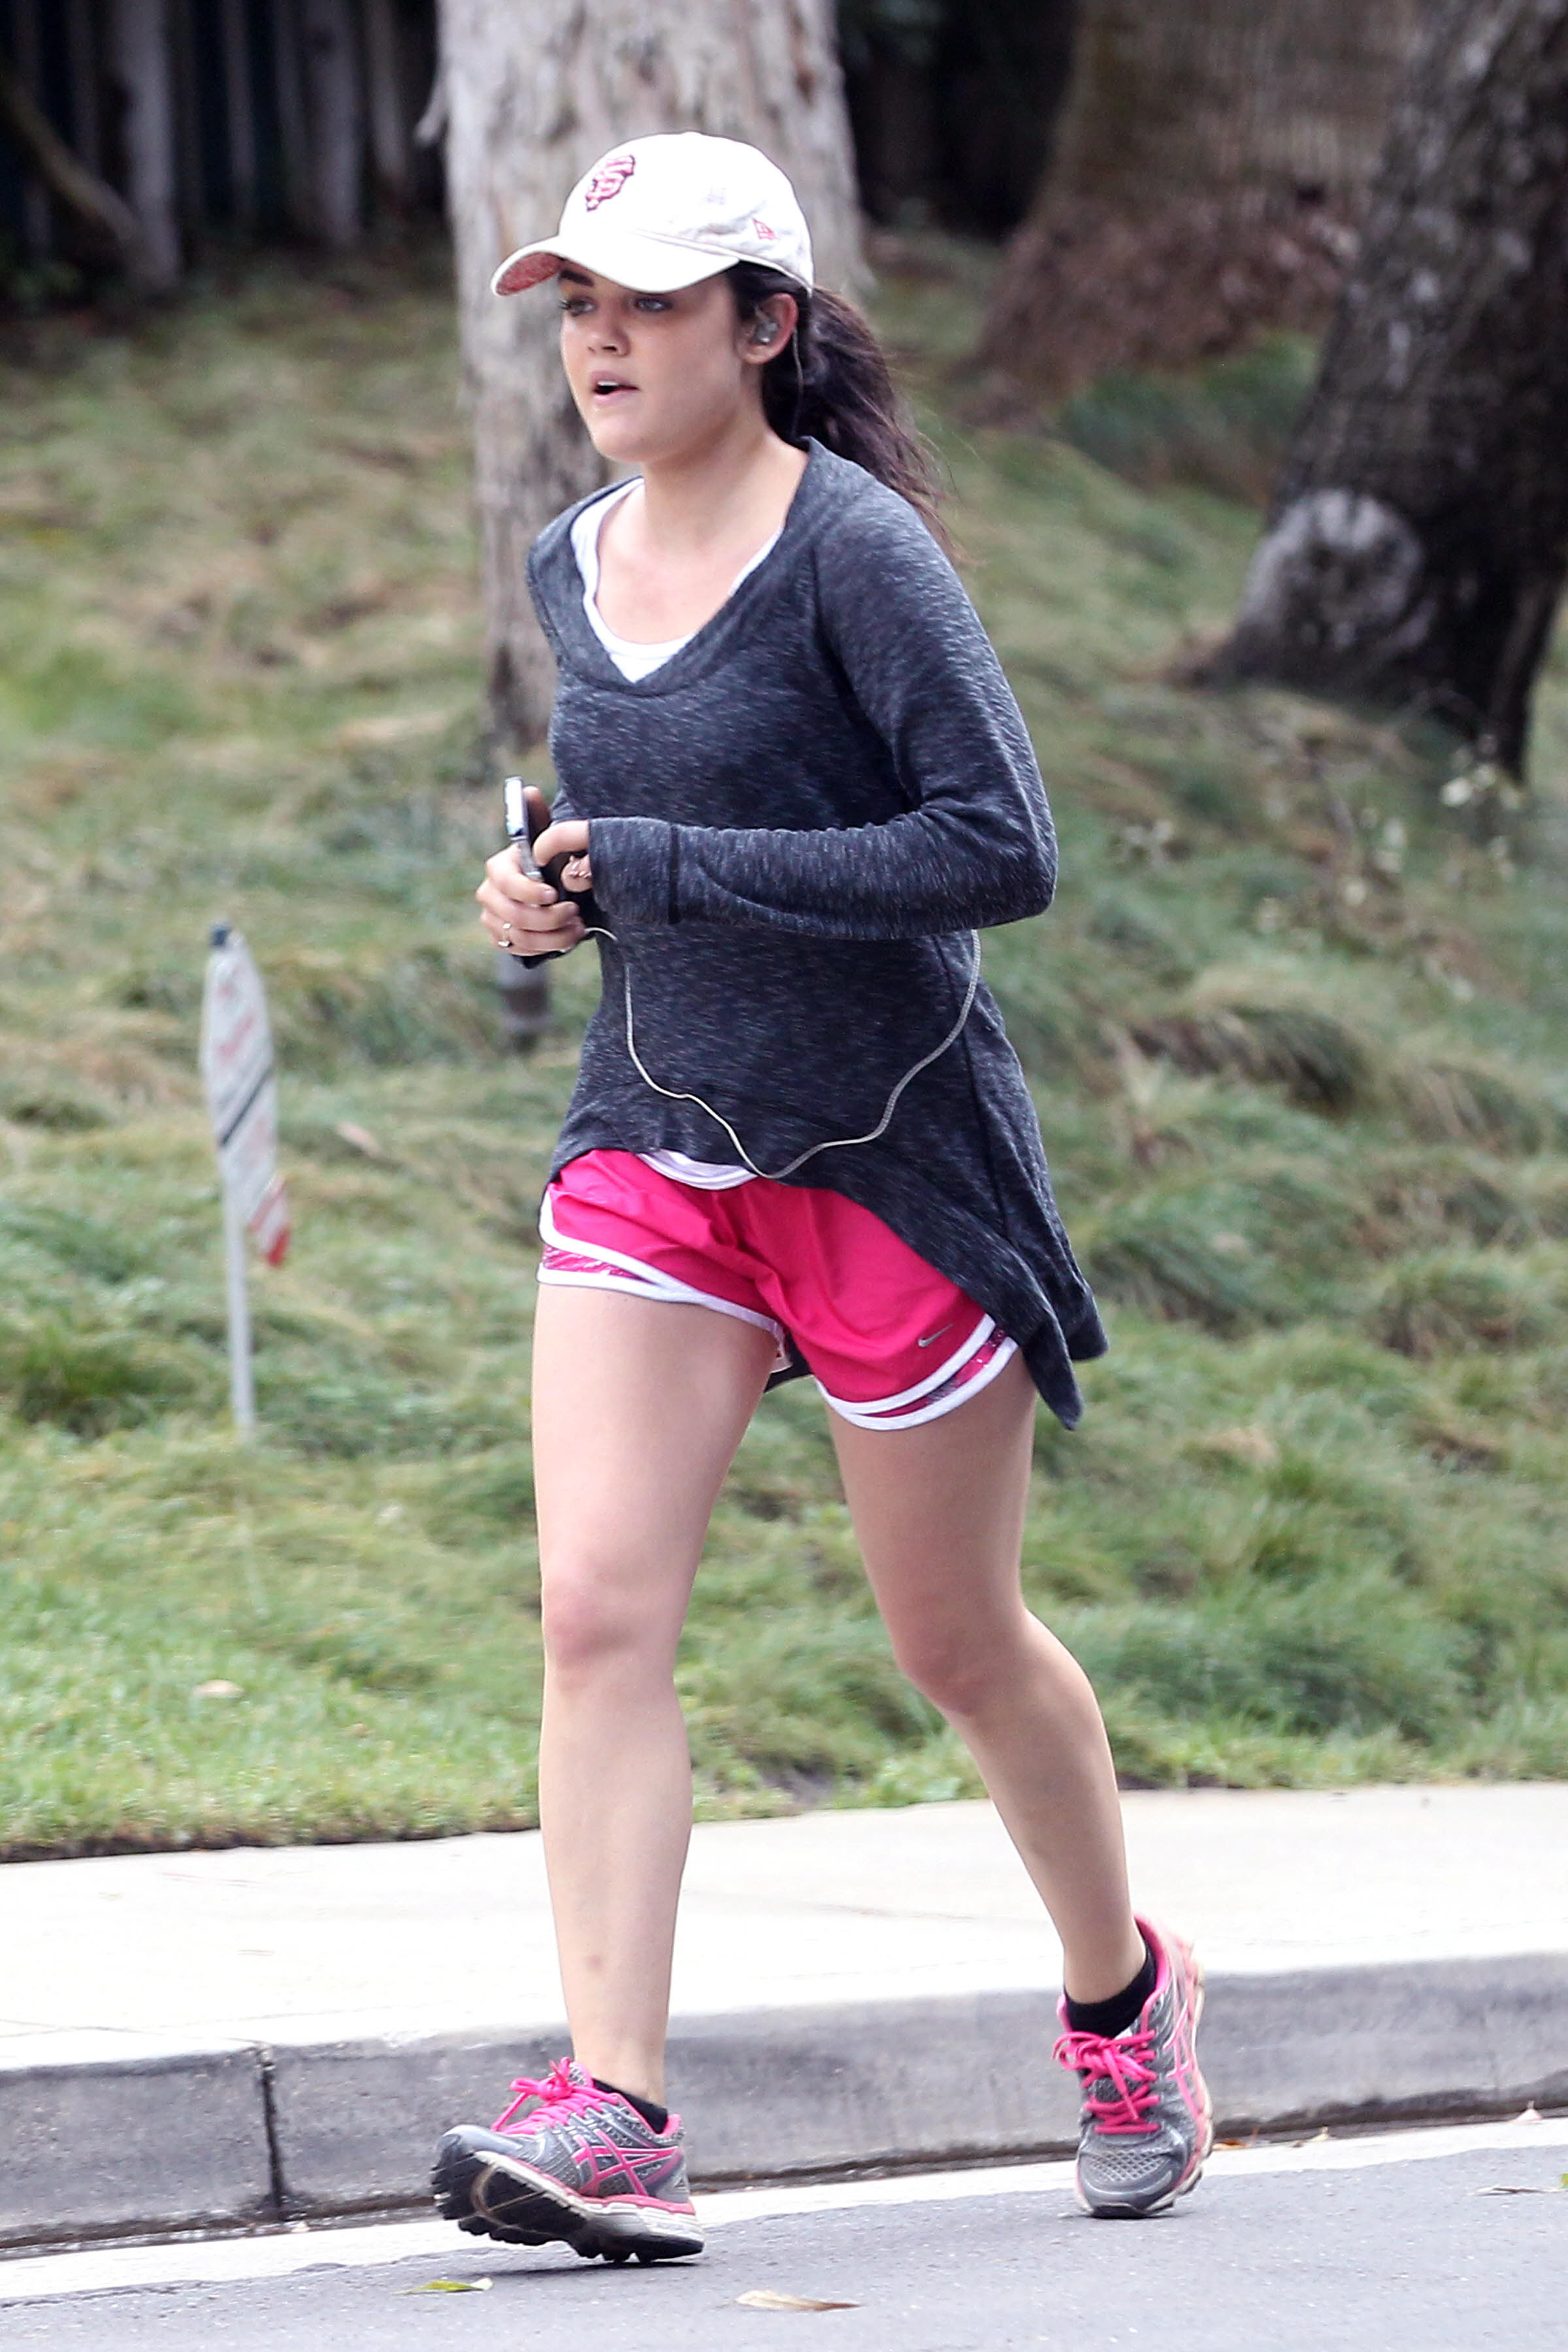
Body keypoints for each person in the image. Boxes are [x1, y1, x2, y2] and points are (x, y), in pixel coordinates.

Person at [433, 133, 1210, 2266]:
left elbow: (1000, 845)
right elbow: (628, 822)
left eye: (652, 303)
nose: (602, 341)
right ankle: (617, 2109)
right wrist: (546, 887)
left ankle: (1125, 2001)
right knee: (595, 1608)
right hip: (656, 1141)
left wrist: (678, 866)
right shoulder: (570, 560)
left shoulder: (855, 554)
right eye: (581, 305)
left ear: (764, 325)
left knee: (955, 1644)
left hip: (885, 1156)